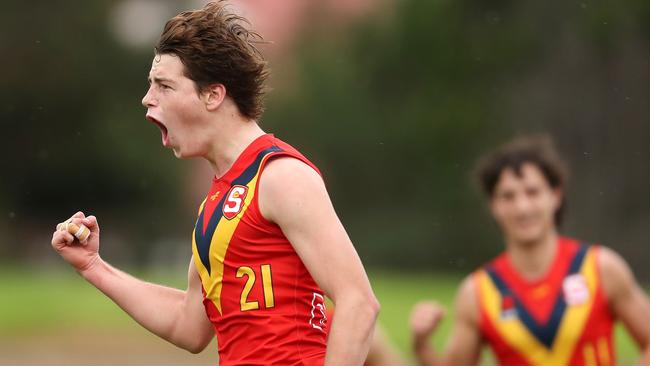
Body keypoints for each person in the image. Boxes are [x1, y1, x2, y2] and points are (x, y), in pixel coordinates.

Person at [50, 2, 379, 365]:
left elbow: (358, 303)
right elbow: (188, 326)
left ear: (213, 95)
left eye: (164, 85)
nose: (147, 98)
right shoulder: (214, 205)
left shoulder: (280, 176)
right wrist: (93, 267)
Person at [409, 136, 650, 366]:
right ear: (493, 206)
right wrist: (421, 344)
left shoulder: (601, 268)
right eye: (508, 196)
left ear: (555, 196)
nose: (522, 207)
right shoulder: (478, 293)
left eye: (532, 192)